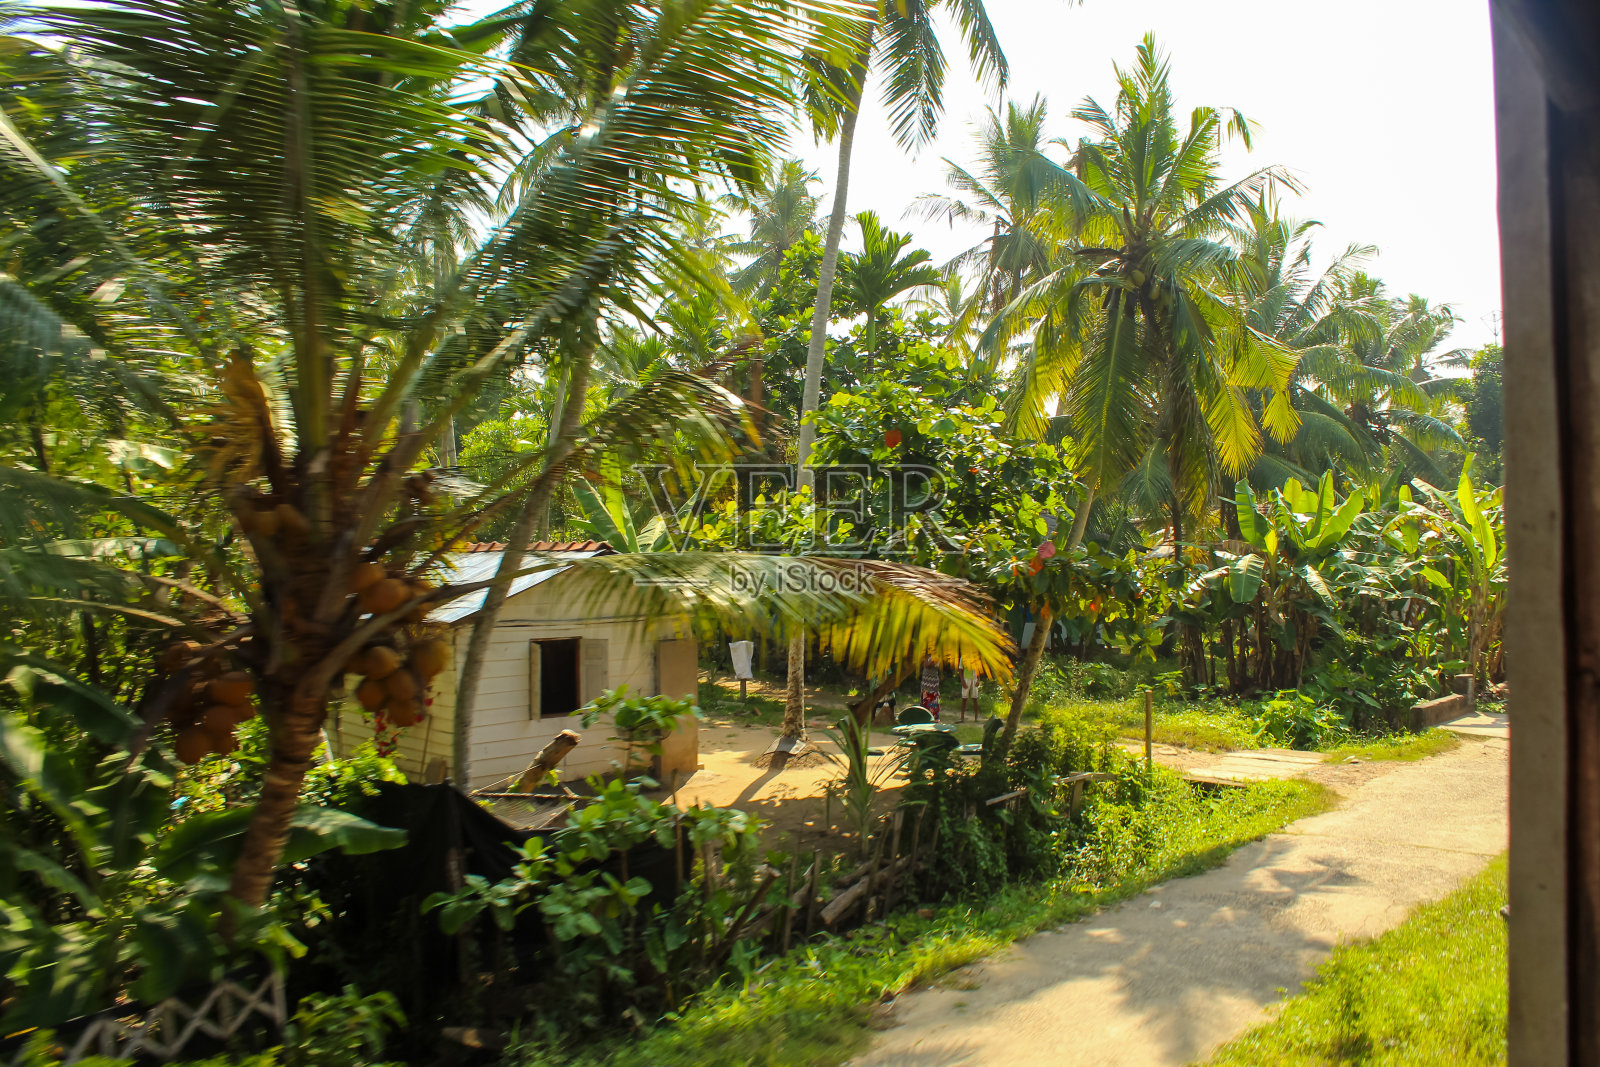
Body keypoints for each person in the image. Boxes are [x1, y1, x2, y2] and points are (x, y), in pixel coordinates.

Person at [919, 653, 942, 721]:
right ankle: (924, 716)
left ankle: (934, 717)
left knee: (933, 700)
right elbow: (924, 664)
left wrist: (927, 657)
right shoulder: (928, 656)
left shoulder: (936, 656)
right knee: (925, 700)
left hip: (933, 683)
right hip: (926, 682)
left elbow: (927, 665)